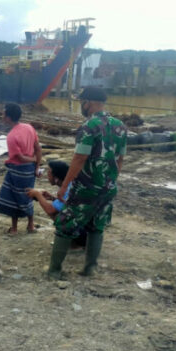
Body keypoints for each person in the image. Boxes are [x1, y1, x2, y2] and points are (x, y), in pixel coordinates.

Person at [48, 87, 127, 279]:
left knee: (65, 225)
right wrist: (110, 182)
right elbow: (120, 159)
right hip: (108, 187)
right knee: (96, 226)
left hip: (86, 188)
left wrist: (65, 185)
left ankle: (54, 271)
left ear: (88, 102)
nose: (81, 106)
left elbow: (79, 158)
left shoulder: (88, 126)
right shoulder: (120, 126)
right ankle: (89, 268)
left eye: (81, 102)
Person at [0, 103, 42, 234]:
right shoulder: (29, 127)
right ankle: (30, 225)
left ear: (8, 118)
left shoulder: (11, 136)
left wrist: (33, 159)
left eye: (3, 114)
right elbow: (38, 148)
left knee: (13, 197)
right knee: (29, 196)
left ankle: (14, 228)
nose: (2, 116)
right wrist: (37, 166)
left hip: (17, 171)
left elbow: (20, 158)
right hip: (30, 171)